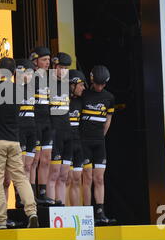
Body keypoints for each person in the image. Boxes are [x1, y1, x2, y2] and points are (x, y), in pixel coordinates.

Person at [0, 57, 39, 230]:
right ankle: (32, 212)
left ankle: (0, 220)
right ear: (14, 73)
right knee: (21, 178)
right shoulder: (19, 91)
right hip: (14, 141)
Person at [79, 65, 116, 225]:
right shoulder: (84, 94)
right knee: (87, 178)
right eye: (98, 84)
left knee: (99, 178)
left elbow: (108, 119)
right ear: (92, 81)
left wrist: (101, 136)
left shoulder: (109, 97)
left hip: (99, 143)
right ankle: (87, 213)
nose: (100, 87)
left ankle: (100, 212)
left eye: (103, 84)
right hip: (83, 142)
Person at [29, 46, 55, 205]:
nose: (47, 63)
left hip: (47, 123)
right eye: (44, 60)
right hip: (35, 123)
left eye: (49, 60)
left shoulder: (50, 79)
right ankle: (30, 194)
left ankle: (43, 193)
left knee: (46, 160)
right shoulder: (30, 77)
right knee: (34, 160)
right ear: (35, 60)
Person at [47, 53, 73, 206]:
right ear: (54, 66)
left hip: (67, 132)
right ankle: (50, 206)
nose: (63, 71)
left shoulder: (66, 84)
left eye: (65, 68)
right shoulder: (46, 83)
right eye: (61, 67)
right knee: (53, 174)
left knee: (64, 175)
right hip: (53, 132)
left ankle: (61, 207)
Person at [14, 59, 37, 208]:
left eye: (32, 74)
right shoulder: (13, 89)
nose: (30, 76)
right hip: (19, 130)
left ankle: (28, 198)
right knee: (21, 167)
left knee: (28, 166)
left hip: (32, 129)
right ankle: (19, 198)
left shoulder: (32, 90)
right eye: (28, 73)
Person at [68, 70, 87, 206]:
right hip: (64, 144)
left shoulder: (82, 101)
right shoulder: (61, 101)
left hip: (78, 144)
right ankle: (63, 213)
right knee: (65, 179)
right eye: (81, 85)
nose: (83, 88)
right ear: (72, 85)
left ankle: (77, 212)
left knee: (77, 179)